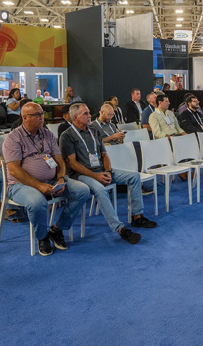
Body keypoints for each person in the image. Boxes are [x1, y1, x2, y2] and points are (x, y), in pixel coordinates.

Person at [1, 103, 88, 256]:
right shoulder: (13, 138)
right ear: (25, 117)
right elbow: (14, 170)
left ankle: (57, 229)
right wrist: (39, 185)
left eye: (42, 113)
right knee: (37, 202)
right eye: (37, 115)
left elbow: (60, 161)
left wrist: (61, 178)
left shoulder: (47, 134)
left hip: (52, 181)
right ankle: (42, 237)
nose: (42, 117)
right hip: (21, 184)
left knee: (82, 190)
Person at [59, 104, 148, 244]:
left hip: (100, 170)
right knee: (100, 189)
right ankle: (119, 228)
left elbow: (104, 155)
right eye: (85, 114)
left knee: (134, 176)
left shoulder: (94, 131)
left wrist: (107, 172)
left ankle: (137, 216)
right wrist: (96, 176)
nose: (90, 116)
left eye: (89, 113)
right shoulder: (67, 136)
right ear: (75, 117)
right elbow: (72, 163)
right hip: (81, 175)